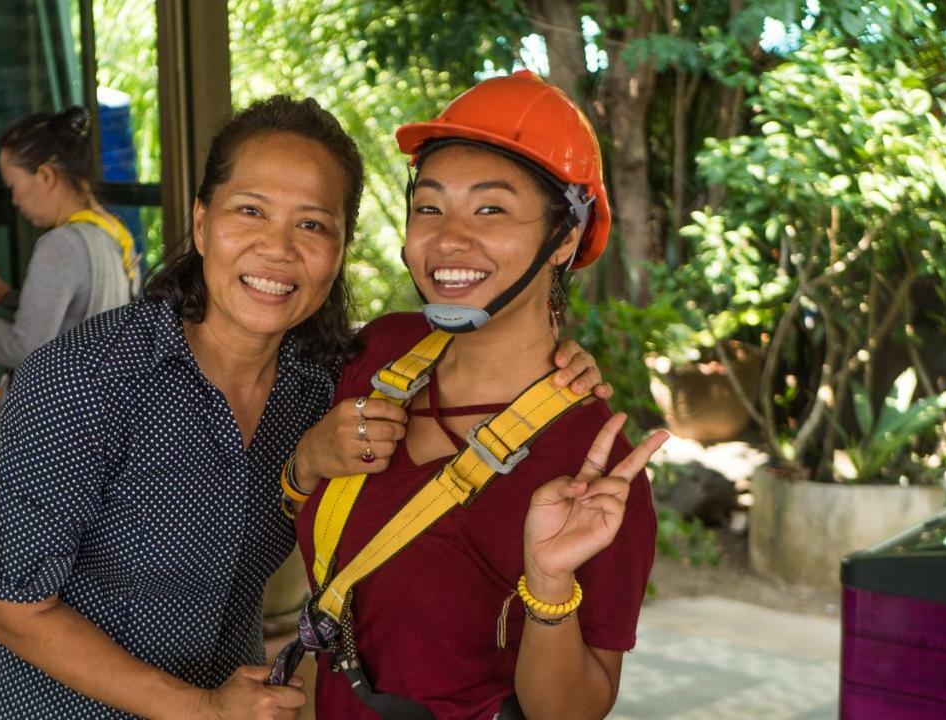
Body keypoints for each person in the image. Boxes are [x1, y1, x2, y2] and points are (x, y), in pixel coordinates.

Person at [0, 93, 611, 720]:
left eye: (312, 224)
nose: (278, 248)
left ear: (339, 250)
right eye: (250, 211)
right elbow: (15, 607)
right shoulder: (86, 376)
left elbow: (488, 336)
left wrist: (554, 355)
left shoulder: (333, 381)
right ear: (201, 222)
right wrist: (198, 710)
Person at [277, 71, 666, 720]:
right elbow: (311, 527)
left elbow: (573, 711)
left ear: (565, 238)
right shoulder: (379, 355)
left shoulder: (589, 469)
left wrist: (548, 586)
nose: (448, 239)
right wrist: (306, 463)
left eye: (491, 209)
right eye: (429, 207)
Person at [0, 106, 137, 369]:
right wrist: (6, 296)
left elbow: (26, 351)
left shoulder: (62, 244)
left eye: (13, 186)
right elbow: (78, 316)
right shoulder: (112, 232)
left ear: (45, 176)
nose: (14, 200)